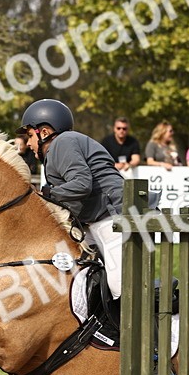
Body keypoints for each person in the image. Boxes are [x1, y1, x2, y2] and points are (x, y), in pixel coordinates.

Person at [18, 99, 124, 298]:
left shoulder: (63, 142)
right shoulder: (58, 148)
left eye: (30, 136)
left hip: (114, 217)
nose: (28, 143)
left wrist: (45, 194)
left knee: (119, 287)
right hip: (97, 220)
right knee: (81, 275)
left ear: (45, 132)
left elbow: (82, 184)